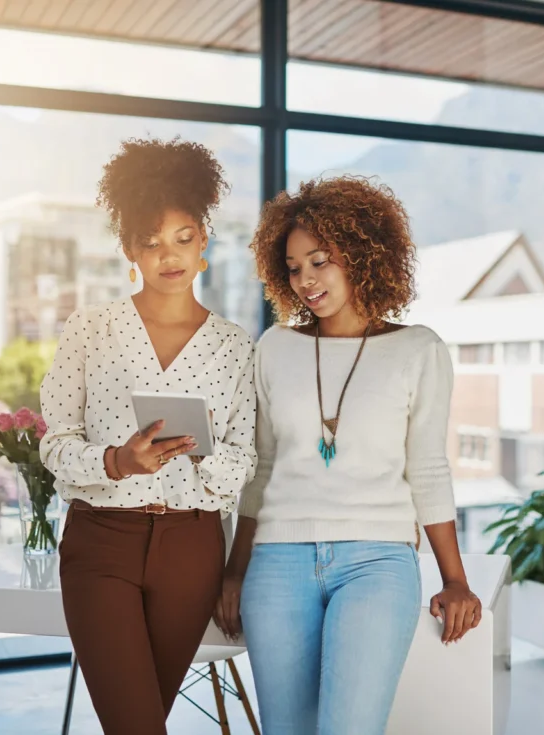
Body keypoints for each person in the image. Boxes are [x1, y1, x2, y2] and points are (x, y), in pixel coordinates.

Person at [214, 176, 481, 735]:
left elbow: (427, 468)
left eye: (320, 261)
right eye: (293, 268)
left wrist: (454, 579)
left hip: (377, 561)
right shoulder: (274, 347)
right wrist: (234, 572)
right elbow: (261, 469)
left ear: (362, 254)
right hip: (277, 562)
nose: (306, 280)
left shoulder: (419, 349)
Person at [39, 137, 257, 735]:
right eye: (151, 241)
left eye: (183, 237)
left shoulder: (235, 345)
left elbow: (245, 458)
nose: (169, 255)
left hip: (192, 548)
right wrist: (116, 461)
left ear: (204, 241)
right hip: (102, 543)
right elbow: (53, 441)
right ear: (129, 248)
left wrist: (204, 458)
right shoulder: (92, 328)